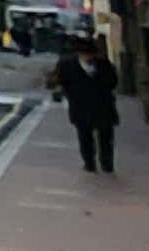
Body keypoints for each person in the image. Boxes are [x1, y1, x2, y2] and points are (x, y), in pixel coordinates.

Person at [53, 37, 125, 174]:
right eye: (85, 53)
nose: (88, 57)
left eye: (90, 54)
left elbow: (113, 81)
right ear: (78, 53)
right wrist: (68, 94)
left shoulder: (103, 64)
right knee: (85, 136)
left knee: (106, 137)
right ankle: (89, 163)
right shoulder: (66, 64)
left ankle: (107, 163)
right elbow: (61, 82)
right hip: (80, 106)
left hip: (103, 105)